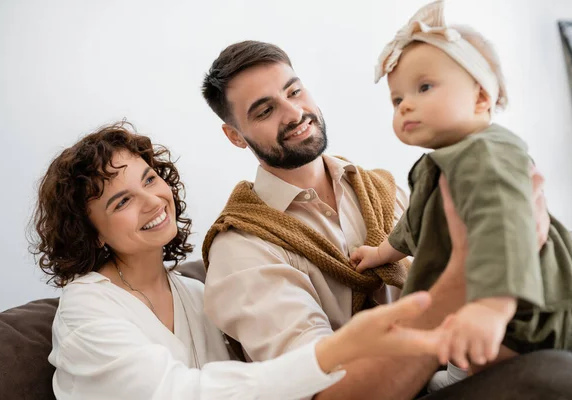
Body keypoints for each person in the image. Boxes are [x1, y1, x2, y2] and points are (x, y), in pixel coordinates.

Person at [200, 39, 558, 398]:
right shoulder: (242, 249)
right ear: (235, 136)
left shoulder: (387, 192)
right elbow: (327, 391)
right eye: (265, 111)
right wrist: (463, 278)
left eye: (294, 91)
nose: (293, 113)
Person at [30, 122, 452, 400]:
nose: (152, 201)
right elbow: (175, 393)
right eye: (122, 200)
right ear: (91, 232)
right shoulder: (85, 308)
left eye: (149, 179)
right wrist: (330, 354)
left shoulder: (198, 294)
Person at [353, 0, 572, 389]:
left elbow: (504, 225)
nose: (407, 105)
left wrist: (492, 306)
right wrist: (384, 253)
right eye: (397, 99)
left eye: (424, 87)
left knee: (500, 359)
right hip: (479, 309)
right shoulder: (441, 162)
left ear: (481, 99)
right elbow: (415, 221)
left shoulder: (488, 152)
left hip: (523, 309)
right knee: (468, 355)